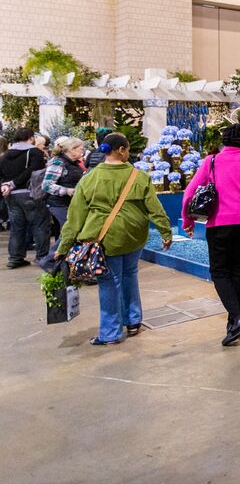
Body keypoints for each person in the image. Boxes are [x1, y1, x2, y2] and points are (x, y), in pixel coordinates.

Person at [56, 132, 172, 345]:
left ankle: (110, 333)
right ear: (121, 150)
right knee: (130, 275)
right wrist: (166, 232)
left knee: (110, 282)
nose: (129, 153)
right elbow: (155, 209)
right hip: (134, 237)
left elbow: (75, 217)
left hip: (104, 239)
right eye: (128, 149)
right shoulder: (140, 177)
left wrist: (63, 246)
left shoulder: (89, 178)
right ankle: (133, 320)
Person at [181, 123, 240, 346]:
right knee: (237, 271)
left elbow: (190, 192)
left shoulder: (211, 161)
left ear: (224, 138)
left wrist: (188, 220)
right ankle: (233, 322)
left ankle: (237, 318)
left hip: (219, 223)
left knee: (219, 272)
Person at [1, 127, 49, 269]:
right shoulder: (34, 152)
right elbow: (34, 171)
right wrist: (14, 183)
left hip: (11, 195)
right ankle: (42, 256)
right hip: (30, 193)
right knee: (39, 225)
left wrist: (7, 185)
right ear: (31, 137)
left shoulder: (6, 154)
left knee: (17, 227)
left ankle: (15, 258)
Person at [42, 136, 87, 260]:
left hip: (69, 203)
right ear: (71, 150)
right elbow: (47, 185)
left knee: (69, 231)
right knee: (71, 230)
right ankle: (49, 260)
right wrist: (66, 190)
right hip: (58, 204)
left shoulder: (75, 163)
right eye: (80, 149)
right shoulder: (58, 162)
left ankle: (59, 261)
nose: (82, 151)